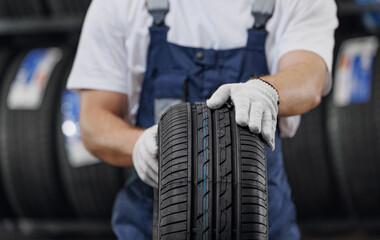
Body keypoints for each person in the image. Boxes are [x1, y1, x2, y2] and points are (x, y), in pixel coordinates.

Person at [67, 0, 338, 239]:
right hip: (152, 222)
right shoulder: (120, 4)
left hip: (262, 221)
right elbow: (93, 121)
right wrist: (137, 145)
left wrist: (267, 91)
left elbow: (309, 75)